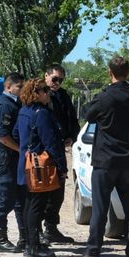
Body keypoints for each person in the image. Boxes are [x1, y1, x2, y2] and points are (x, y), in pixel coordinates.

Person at [70, 56, 129, 257]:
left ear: (110, 72)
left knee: (100, 208)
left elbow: (88, 115)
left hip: (106, 160)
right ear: (128, 72)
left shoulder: (105, 97)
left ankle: (93, 252)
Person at [13, 78, 68, 257]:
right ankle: (33, 247)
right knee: (37, 205)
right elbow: (51, 142)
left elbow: (15, 134)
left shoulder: (23, 111)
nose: (48, 93)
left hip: (25, 165)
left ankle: (31, 242)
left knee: (30, 204)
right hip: (39, 168)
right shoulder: (41, 113)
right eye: (44, 90)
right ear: (36, 93)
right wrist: (62, 166)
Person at [40, 64, 80, 244]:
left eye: (61, 80)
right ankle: (36, 230)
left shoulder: (62, 96)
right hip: (43, 150)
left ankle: (51, 228)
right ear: (46, 76)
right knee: (41, 191)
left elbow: (71, 117)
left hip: (60, 148)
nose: (57, 83)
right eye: (54, 79)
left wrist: (71, 136)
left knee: (58, 191)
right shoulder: (39, 94)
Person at [0, 72, 26, 253]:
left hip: (15, 157)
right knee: (6, 198)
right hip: (6, 156)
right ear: (8, 87)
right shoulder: (4, 105)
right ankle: (1, 240)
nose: (21, 90)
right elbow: (2, 135)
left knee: (20, 198)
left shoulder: (16, 103)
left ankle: (24, 238)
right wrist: (20, 149)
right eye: (19, 87)